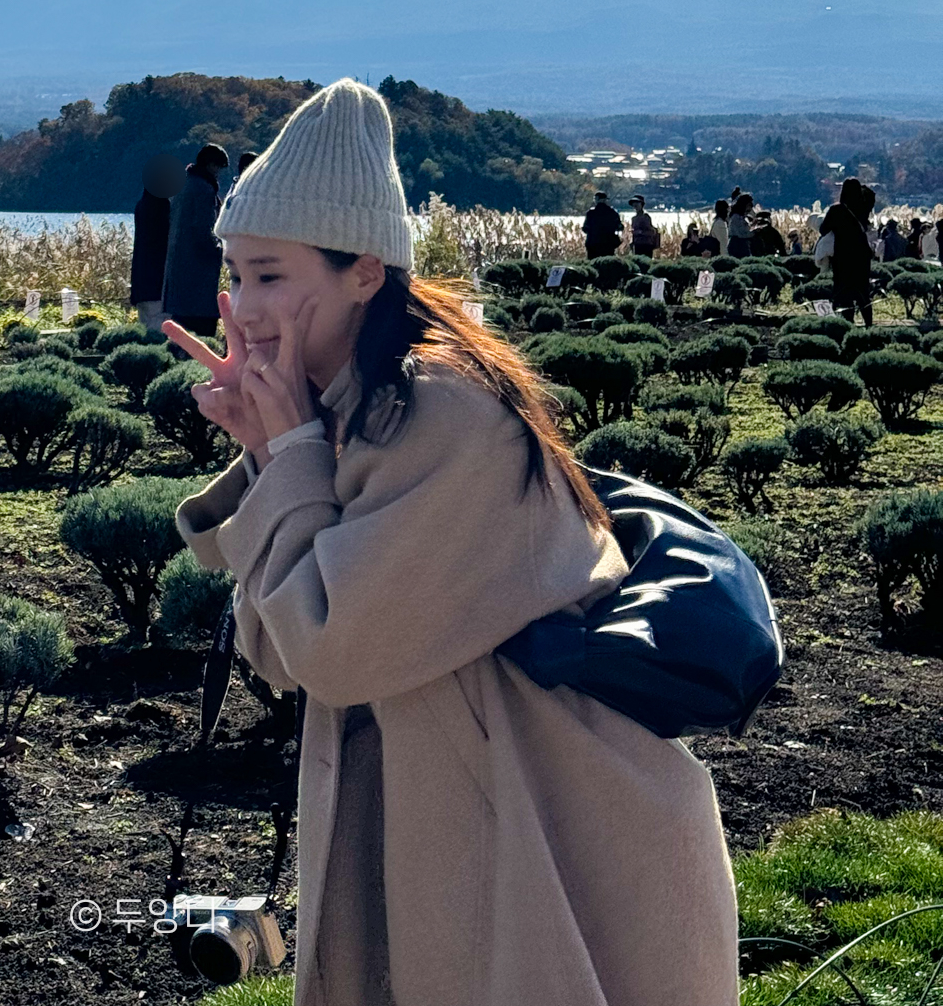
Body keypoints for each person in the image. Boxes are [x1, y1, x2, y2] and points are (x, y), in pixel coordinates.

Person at [167, 80, 737, 1006]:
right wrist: (273, 451)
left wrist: (290, 455)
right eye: (235, 274)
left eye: (272, 275)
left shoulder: (444, 413)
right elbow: (278, 655)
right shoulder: (351, 405)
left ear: (364, 272)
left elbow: (334, 649)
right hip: (449, 817)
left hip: (548, 827)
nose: (244, 304)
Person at [162, 143, 229, 336]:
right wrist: (219, 251)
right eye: (218, 167)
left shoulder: (183, 185)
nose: (218, 173)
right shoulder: (203, 189)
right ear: (210, 165)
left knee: (180, 334)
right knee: (202, 333)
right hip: (197, 276)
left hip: (178, 274)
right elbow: (203, 230)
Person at [129, 153, 181, 331]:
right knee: (159, 328)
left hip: (142, 283)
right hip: (157, 283)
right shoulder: (161, 208)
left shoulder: (142, 204)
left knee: (146, 326)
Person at [821, 176, 875, 329]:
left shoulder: (836, 210)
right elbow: (871, 195)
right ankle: (868, 325)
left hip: (843, 255)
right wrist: (861, 187)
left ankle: (848, 324)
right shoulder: (863, 208)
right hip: (861, 255)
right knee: (863, 291)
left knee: (844, 290)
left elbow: (823, 229)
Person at [581, 189, 622, 259]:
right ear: (605, 200)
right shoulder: (612, 213)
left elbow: (585, 228)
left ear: (596, 200)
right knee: (607, 264)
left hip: (593, 244)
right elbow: (620, 227)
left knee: (593, 264)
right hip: (608, 244)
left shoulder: (591, 213)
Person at [628, 194, 660, 259]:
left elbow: (651, 232)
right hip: (637, 244)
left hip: (646, 244)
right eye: (634, 203)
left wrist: (639, 232)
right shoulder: (634, 218)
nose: (635, 205)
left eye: (637, 203)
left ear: (641, 205)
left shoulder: (646, 217)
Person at [726, 195, 756, 259]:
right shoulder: (736, 217)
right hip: (737, 245)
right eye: (749, 205)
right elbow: (742, 233)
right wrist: (754, 231)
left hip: (742, 245)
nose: (750, 208)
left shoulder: (743, 217)